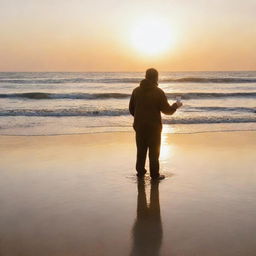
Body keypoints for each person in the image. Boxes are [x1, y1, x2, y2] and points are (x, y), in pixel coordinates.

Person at [129, 68, 182, 180]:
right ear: (156, 77)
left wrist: (139, 118)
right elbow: (167, 111)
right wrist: (176, 106)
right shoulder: (158, 92)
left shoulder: (136, 91)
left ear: (146, 76)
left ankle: (140, 173)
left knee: (141, 151)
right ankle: (154, 175)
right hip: (154, 127)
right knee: (154, 152)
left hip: (140, 126)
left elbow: (131, 109)